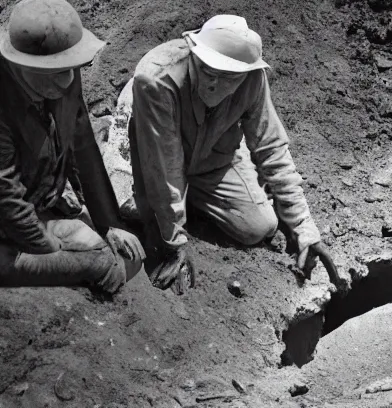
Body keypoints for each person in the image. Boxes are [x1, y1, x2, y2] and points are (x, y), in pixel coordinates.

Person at [129, 14, 337, 290]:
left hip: (212, 156)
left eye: (228, 77)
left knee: (258, 227)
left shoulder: (252, 79)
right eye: (206, 70)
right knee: (132, 212)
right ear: (194, 55)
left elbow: (271, 146)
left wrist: (304, 228)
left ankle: (189, 198)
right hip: (149, 143)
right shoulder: (156, 80)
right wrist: (174, 241)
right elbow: (163, 163)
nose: (214, 84)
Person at [0, 0, 145, 293]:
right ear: (20, 64)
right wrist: (50, 243)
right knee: (102, 263)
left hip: (32, 201)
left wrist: (109, 224)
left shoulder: (59, 68)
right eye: (57, 72)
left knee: (121, 254)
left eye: (73, 67)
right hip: (6, 211)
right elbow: (4, 192)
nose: (68, 81)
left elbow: (82, 143)